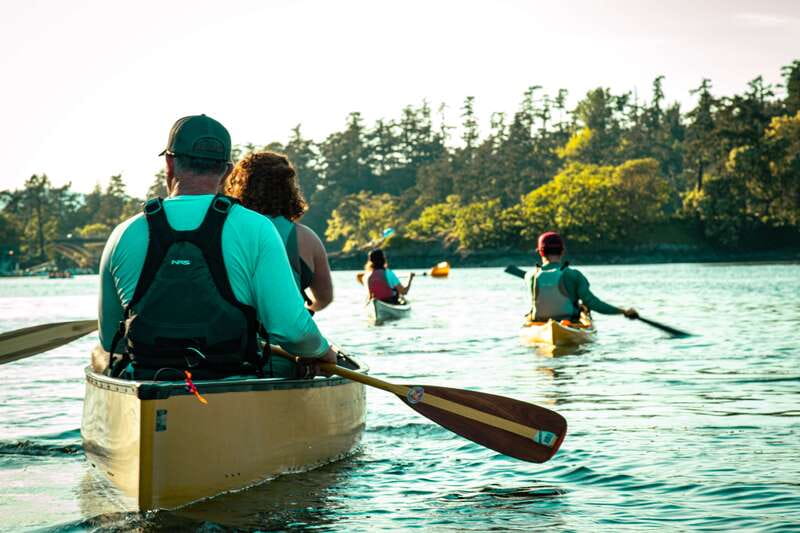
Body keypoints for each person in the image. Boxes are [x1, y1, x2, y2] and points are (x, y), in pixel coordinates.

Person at [97, 114, 337, 380]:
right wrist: (322, 351)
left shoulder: (123, 234)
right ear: (227, 170)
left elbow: (111, 341)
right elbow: (291, 330)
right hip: (232, 384)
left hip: (149, 382)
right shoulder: (256, 229)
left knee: (99, 356)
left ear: (169, 163)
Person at [221, 151, 333, 313]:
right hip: (286, 333)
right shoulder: (306, 238)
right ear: (289, 189)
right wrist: (308, 311)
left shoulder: (224, 229)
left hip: (234, 332)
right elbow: (324, 297)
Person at [526, 231, 638, 323]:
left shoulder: (530, 276)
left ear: (540, 252)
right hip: (570, 322)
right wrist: (623, 311)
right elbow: (593, 303)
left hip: (540, 323)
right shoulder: (574, 275)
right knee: (583, 307)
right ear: (563, 251)